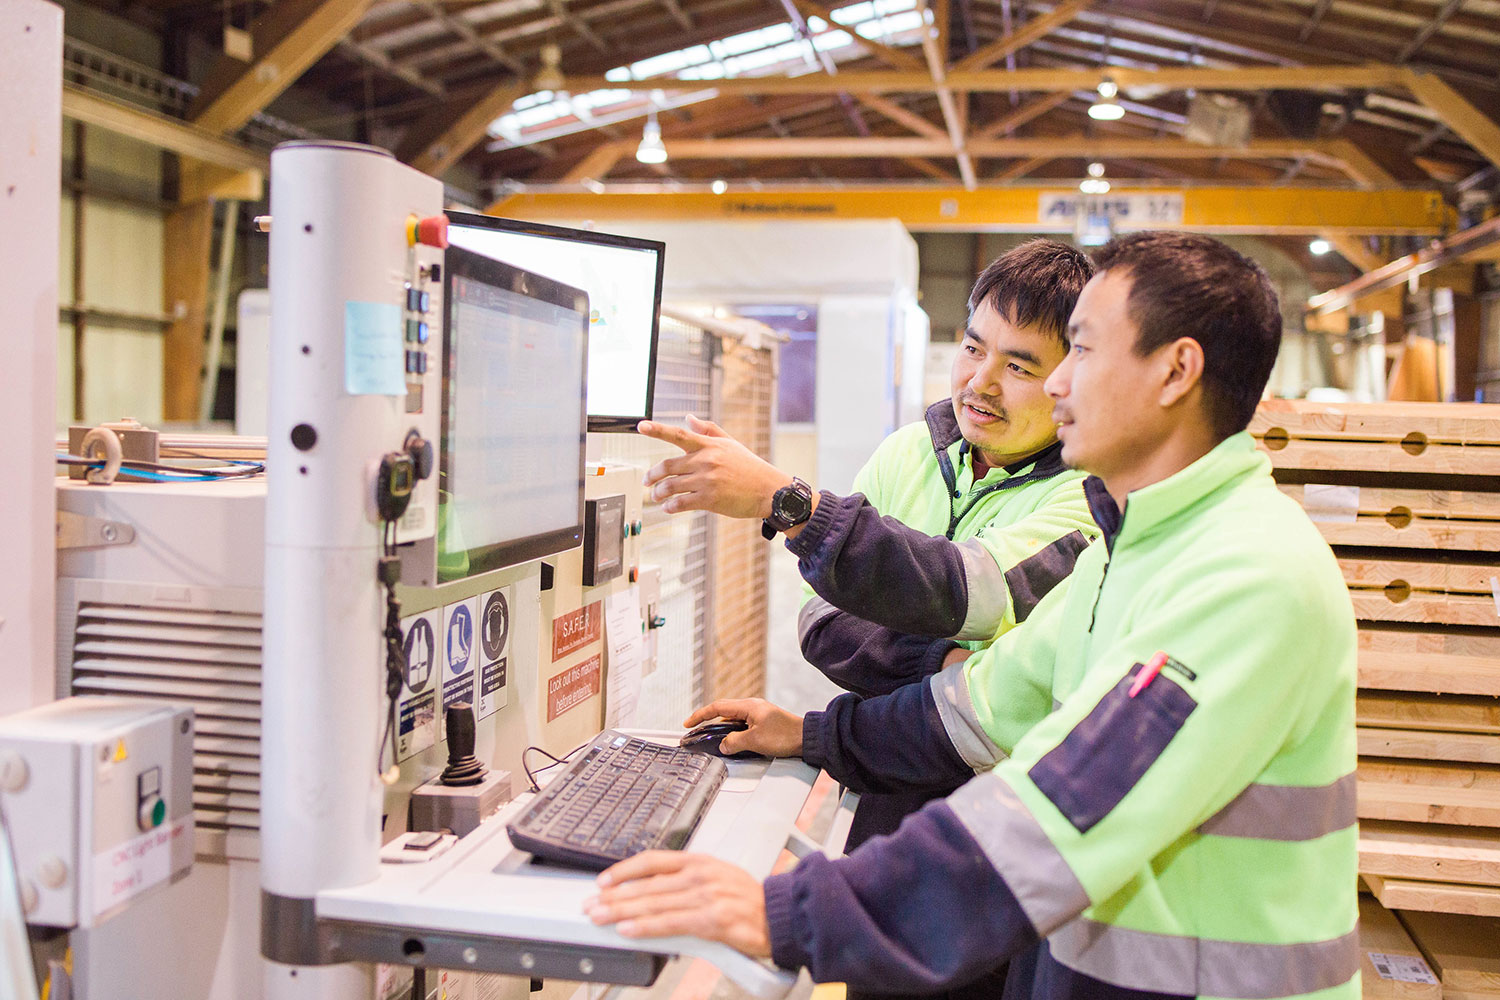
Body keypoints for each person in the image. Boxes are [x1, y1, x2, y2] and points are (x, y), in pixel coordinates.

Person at [587, 231, 1360, 1000]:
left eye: (1079, 353)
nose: (1055, 388)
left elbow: (1062, 809)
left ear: (1175, 370)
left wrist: (798, 912)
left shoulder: (1244, 575)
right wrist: (814, 735)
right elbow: (978, 709)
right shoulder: (1130, 553)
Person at [638, 241, 1099, 854]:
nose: (980, 382)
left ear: (1071, 380)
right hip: (885, 781)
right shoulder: (907, 453)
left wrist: (791, 503)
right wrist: (946, 668)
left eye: (1019, 367)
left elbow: (961, 588)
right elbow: (821, 619)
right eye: (971, 348)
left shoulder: (1088, 496)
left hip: (1003, 827)